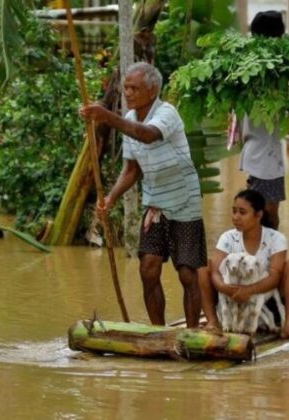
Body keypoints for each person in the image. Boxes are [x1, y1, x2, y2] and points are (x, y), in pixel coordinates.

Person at [80, 62, 207, 328]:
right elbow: (131, 170)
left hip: (184, 200)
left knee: (187, 272)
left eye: (134, 88)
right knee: (148, 268)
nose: (127, 92)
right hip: (156, 203)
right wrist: (110, 198)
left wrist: (107, 117)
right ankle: (158, 331)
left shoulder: (167, 113)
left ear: (152, 90)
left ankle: (193, 332)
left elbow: (148, 135)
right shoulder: (131, 121)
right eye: (125, 87)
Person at [199, 189, 289, 340]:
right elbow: (215, 272)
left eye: (242, 212)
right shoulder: (227, 238)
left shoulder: (276, 238)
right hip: (232, 301)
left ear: (259, 215)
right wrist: (227, 289)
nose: (236, 217)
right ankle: (213, 321)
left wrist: (249, 291)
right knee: (202, 266)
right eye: (234, 211)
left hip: (265, 302)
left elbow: (275, 276)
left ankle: (288, 325)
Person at [237, 10, 288, 230]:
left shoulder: (260, 66)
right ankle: (266, 259)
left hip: (265, 155)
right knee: (266, 215)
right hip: (263, 157)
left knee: (266, 214)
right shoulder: (264, 70)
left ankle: (268, 258)